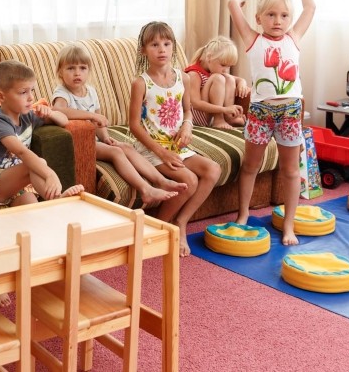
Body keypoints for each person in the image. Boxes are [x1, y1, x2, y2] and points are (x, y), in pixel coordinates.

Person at [228, 0, 316, 245]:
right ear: (259, 18)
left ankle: (289, 225)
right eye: (271, 15)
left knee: (290, 170)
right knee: (250, 166)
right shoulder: (253, 39)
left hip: (290, 112)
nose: (278, 21)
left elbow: (310, 7)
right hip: (260, 113)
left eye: (284, 16)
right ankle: (243, 214)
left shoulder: (294, 38)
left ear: (290, 19)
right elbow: (232, 6)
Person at [51, 44, 187, 205]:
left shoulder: (91, 91)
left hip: (94, 141)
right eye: (70, 68)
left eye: (82, 68)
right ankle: (146, 190)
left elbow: (98, 123)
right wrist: (91, 115)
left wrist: (105, 137)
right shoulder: (62, 93)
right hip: (77, 144)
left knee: (127, 147)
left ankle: (161, 181)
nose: (77, 73)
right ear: (60, 72)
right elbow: (59, 110)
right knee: (116, 152)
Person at [129, 21, 221, 257]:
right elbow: (134, 126)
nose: (161, 49)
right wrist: (162, 153)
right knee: (189, 180)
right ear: (143, 50)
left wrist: (188, 126)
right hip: (151, 149)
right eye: (154, 45)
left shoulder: (183, 78)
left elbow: (188, 111)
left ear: (173, 46)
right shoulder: (141, 83)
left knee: (213, 170)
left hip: (177, 146)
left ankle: (181, 222)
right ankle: (156, 228)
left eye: (166, 44)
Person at [0, 60, 84, 208]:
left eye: (32, 90)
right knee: (35, 164)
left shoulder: (27, 116)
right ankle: (56, 198)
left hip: (14, 182)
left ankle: (55, 205)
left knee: (32, 207)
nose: (31, 97)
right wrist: (50, 175)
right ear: (1, 96)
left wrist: (50, 113)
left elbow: (64, 121)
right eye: (23, 92)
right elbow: (22, 152)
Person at [184, 36, 251, 129]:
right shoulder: (194, 74)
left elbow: (238, 79)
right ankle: (218, 119)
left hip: (210, 115)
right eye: (223, 65)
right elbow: (195, 103)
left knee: (229, 79)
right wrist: (224, 109)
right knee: (218, 78)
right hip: (195, 117)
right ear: (209, 57)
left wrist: (242, 83)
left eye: (229, 66)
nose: (226, 70)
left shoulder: (214, 69)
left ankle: (229, 117)